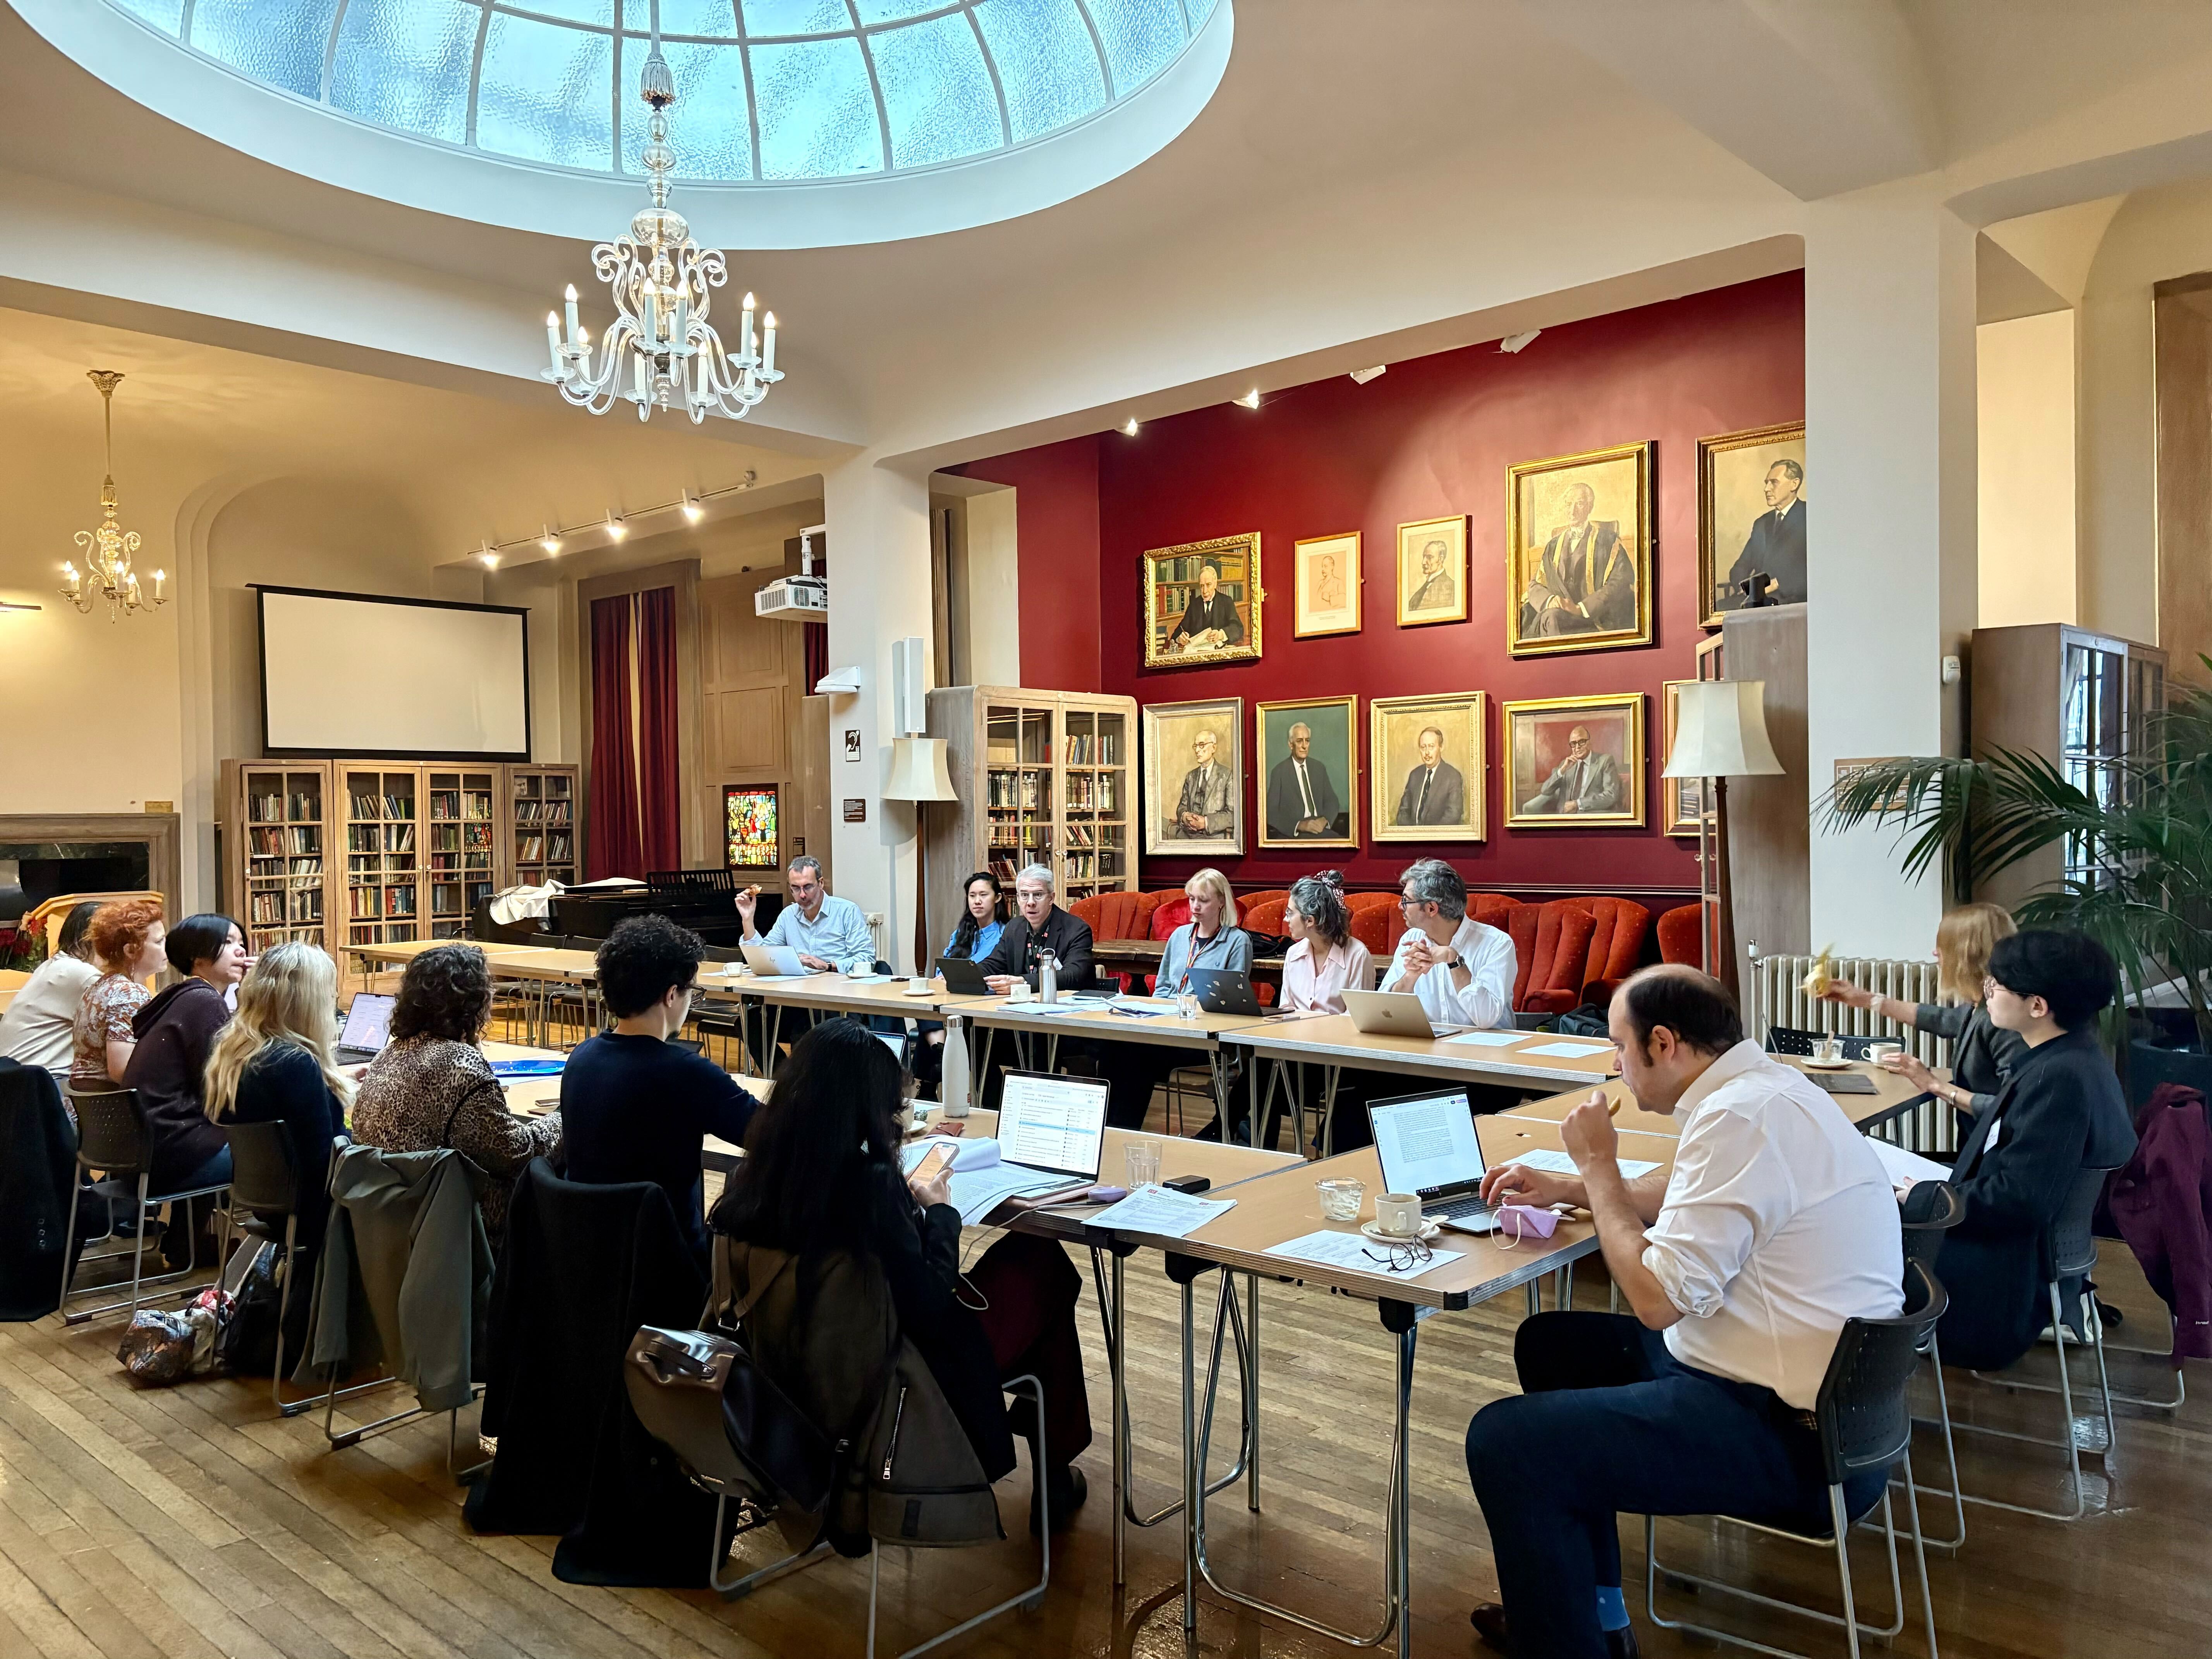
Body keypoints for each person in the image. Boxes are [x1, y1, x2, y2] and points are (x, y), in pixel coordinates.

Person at [1464, 966, 1904, 1659]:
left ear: (1662, 1042)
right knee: (1554, 1345)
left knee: (1505, 1442)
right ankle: (1591, 1611)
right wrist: (1568, 1183)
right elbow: (1686, 1193)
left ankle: (1564, 1642)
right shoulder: (1768, 1090)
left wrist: (1602, 1169)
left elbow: (1654, 1299)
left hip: (1792, 1436)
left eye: (1618, 1046)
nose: (1614, 1064)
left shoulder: (1739, 1116)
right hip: (1826, 1400)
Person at [709, 1019, 1092, 1533]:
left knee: (1039, 1288)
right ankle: (1050, 1460)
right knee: (1043, 1264)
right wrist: (939, 1214)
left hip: (784, 1381)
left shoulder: (751, 1177)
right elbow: (931, 1304)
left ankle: (1047, 1442)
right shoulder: (868, 1188)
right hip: (892, 1388)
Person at [1930, 929, 2136, 1372]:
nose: (1988, 993)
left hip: (1998, 1276)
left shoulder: (2057, 1079)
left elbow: (2020, 1199)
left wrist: (1929, 1200)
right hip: (2020, 1253)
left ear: (2037, 1006)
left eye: (1997, 985)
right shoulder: (2076, 1056)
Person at [558, 915, 760, 1261]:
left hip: (587, 1260)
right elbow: (776, 1134)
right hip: (670, 1267)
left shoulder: (581, 1058)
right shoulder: (686, 1073)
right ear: (671, 995)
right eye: (692, 992)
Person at [351, 943, 561, 1249]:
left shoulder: (389, 1054)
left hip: (385, 1226)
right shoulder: (461, 1066)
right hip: (452, 1234)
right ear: (475, 1003)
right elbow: (518, 1155)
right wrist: (565, 1115)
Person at [203, 942, 354, 1356]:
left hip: (263, 1200)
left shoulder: (236, 1051)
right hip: (311, 1211)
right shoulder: (295, 1063)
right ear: (308, 1000)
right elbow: (323, 1163)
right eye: (328, 994)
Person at [1822, 900, 2025, 1127]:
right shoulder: (1983, 1005)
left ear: (1966, 954)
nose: (1935, 953)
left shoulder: (2004, 1020)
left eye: (1944, 946)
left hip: (1995, 1158)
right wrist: (1865, 999)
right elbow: (1943, 1020)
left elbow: (2016, 1111)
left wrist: (1935, 1085)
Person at [124, 912, 249, 1263]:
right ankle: (271, 1259)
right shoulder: (204, 1001)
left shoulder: (184, 997)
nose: (240, 951)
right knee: (279, 1153)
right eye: (228, 943)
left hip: (148, 1149)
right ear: (199, 958)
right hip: (170, 1155)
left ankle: (186, 1244)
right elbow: (227, 1084)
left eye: (241, 943)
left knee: (216, 1128)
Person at [1097, 870, 1250, 1134]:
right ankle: (1108, 1130)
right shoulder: (1180, 937)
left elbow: (1230, 999)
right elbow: (1164, 985)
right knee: (1117, 1047)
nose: (1195, 907)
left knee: (1137, 1055)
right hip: (1168, 1026)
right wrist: (1156, 1013)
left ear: (1222, 902)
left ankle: (1123, 1128)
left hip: (1205, 1033)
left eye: (1203, 900)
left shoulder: (1237, 941)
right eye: (1192, 899)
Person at [1274, 872, 1380, 1153]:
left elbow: (1358, 1019)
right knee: (1260, 1065)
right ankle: (1252, 1141)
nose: (1286, 919)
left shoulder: (1357, 955)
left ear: (1310, 921)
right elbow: (1286, 1008)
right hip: (1295, 1050)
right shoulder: (1293, 954)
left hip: (1338, 1058)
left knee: (1266, 1074)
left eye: (1291, 913)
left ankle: (1240, 1131)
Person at [1383, 859, 1515, 1031]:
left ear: (1431, 909)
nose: (1400, 906)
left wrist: (1454, 961)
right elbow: (1387, 1011)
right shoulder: (1411, 939)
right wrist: (1410, 976)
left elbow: (1487, 1020)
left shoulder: (1496, 944)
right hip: (1427, 1046)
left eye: (1406, 900)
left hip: (1486, 1049)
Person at [916, 872, 1006, 1091]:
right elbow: (943, 965)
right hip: (951, 993)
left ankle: (933, 1074)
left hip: (981, 1000)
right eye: (972, 895)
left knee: (940, 1014)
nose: (977, 901)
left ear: (997, 898)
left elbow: (996, 968)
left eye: (983, 895)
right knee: (925, 1004)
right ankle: (940, 1052)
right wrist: (941, 975)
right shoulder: (962, 932)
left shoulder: (1006, 932)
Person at [69, 898, 168, 1091]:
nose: (167, 947)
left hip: (94, 1110)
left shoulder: (98, 987)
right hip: (115, 1111)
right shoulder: (129, 993)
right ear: (130, 950)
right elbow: (122, 1071)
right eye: (159, 941)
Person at [0, 901, 103, 1084]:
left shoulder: (55, 966)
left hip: (17, 1082)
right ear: (93, 938)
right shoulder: (82, 975)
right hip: (42, 1086)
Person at [1521, 480, 1635, 637]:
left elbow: (1619, 582)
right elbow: (1535, 584)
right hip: (1560, 615)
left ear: (1590, 507)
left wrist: (1582, 608)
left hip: (1595, 619)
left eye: (1579, 504)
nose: (1572, 511)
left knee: (1551, 618)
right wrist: (1550, 600)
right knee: (1544, 616)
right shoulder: (1553, 546)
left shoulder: (1609, 541)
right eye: (1568, 505)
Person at [734, 855, 874, 973]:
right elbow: (763, 959)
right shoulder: (788, 915)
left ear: (821, 883)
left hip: (838, 991)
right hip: (796, 992)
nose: (802, 895)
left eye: (808, 887)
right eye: (796, 888)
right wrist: (748, 920)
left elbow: (866, 959)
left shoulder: (847, 911)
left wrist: (829, 966)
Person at [975, 864, 1096, 996]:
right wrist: (966, 976)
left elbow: (1073, 976)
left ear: (1051, 898)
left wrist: (1023, 983)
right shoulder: (1014, 927)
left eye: (1038, 895)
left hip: (1066, 1007)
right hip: (1022, 1006)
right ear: (1018, 899)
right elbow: (993, 964)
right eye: (1025, 895)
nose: (1031, 902)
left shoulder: (1077, 930)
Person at [1721, 457, 1806, 608]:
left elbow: (1816, 569)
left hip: (1793, 601)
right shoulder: (1761, 523)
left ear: (1795, 484)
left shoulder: (1810, 516)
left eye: (1774, 482)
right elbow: (1741, 566)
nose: (1767, 489)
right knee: (1720, 608)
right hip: (1756, 600)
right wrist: (1744, 587)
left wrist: (1778, 584)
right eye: (1767, 483)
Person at [1264, 722, 1345, 840]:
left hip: (1321, 830)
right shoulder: (1279, 772)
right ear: (1291, 745)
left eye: (1307, 741)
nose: (1304, 746)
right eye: (1299, 741)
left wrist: (1324, 820)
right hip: (1294, 835)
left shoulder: (1319, 768)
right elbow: (1271, 813)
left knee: (1343, 847)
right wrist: (1300, 826)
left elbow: (1332, 800)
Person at [1525, 724, 1623, 815]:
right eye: (1573, 743)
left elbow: (1611, 795)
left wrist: (1578, 804)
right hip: (1565, 816)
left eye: (1581, 742)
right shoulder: (1566, 764)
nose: (1577, 747)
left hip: (1589, 815)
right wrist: (1562, 771)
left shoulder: (1605, 761)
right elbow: (1545, 790)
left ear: (1589, 742)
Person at [1393, 725, 1465, 827]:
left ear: (1441, 747)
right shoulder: (1415, 775)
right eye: (1423, 747)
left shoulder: (1453, 776)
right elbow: (1403, 813)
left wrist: (1429, 836)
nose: (1427, 753)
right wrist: (1413, 836)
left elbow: (1453, 816)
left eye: (1431, 747)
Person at [1171, 728, 1235, 838]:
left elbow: (1233, 814)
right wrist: (1185, 816)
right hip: (1187, 835)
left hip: (1213, 837)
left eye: (1202, 745)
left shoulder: (1227, 775)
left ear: (1214, 748)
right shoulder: (1191, 776)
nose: (1197, 751)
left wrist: (1205, 823)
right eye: (1195, 746)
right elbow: (1182, 806)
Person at [1168, 563, 1243, 650]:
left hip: (1218, 652)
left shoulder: (1226, 602)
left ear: (1215, 584)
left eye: (1208, 585)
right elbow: (1179, 631)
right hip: (1197, 653)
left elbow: (1238, 628)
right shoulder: (1194, 605)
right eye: (1202, 586)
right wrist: (1180, 638)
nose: (1205, 591)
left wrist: (1221, 634)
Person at [1407, 536, 1456, 612]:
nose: (1423, 562)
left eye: (1429, 557)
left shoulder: (1452, 588)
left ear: (1440, 559)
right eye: (1424, 557)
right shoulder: (1422, 589)